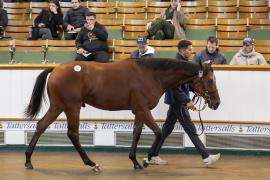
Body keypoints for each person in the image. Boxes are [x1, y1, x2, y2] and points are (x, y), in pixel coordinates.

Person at [146, 40, 220, 166]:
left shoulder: (184, 63)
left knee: (166, 130)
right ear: (182, 50)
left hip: (176, 101)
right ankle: (206, 157)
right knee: (190, 129)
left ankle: (152, 155)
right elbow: (174, 87)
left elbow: (185, 83)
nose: (192, 52)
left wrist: (194, 91)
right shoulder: (178, 64)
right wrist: (187, 100)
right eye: (190, 49)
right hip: (178, 101)